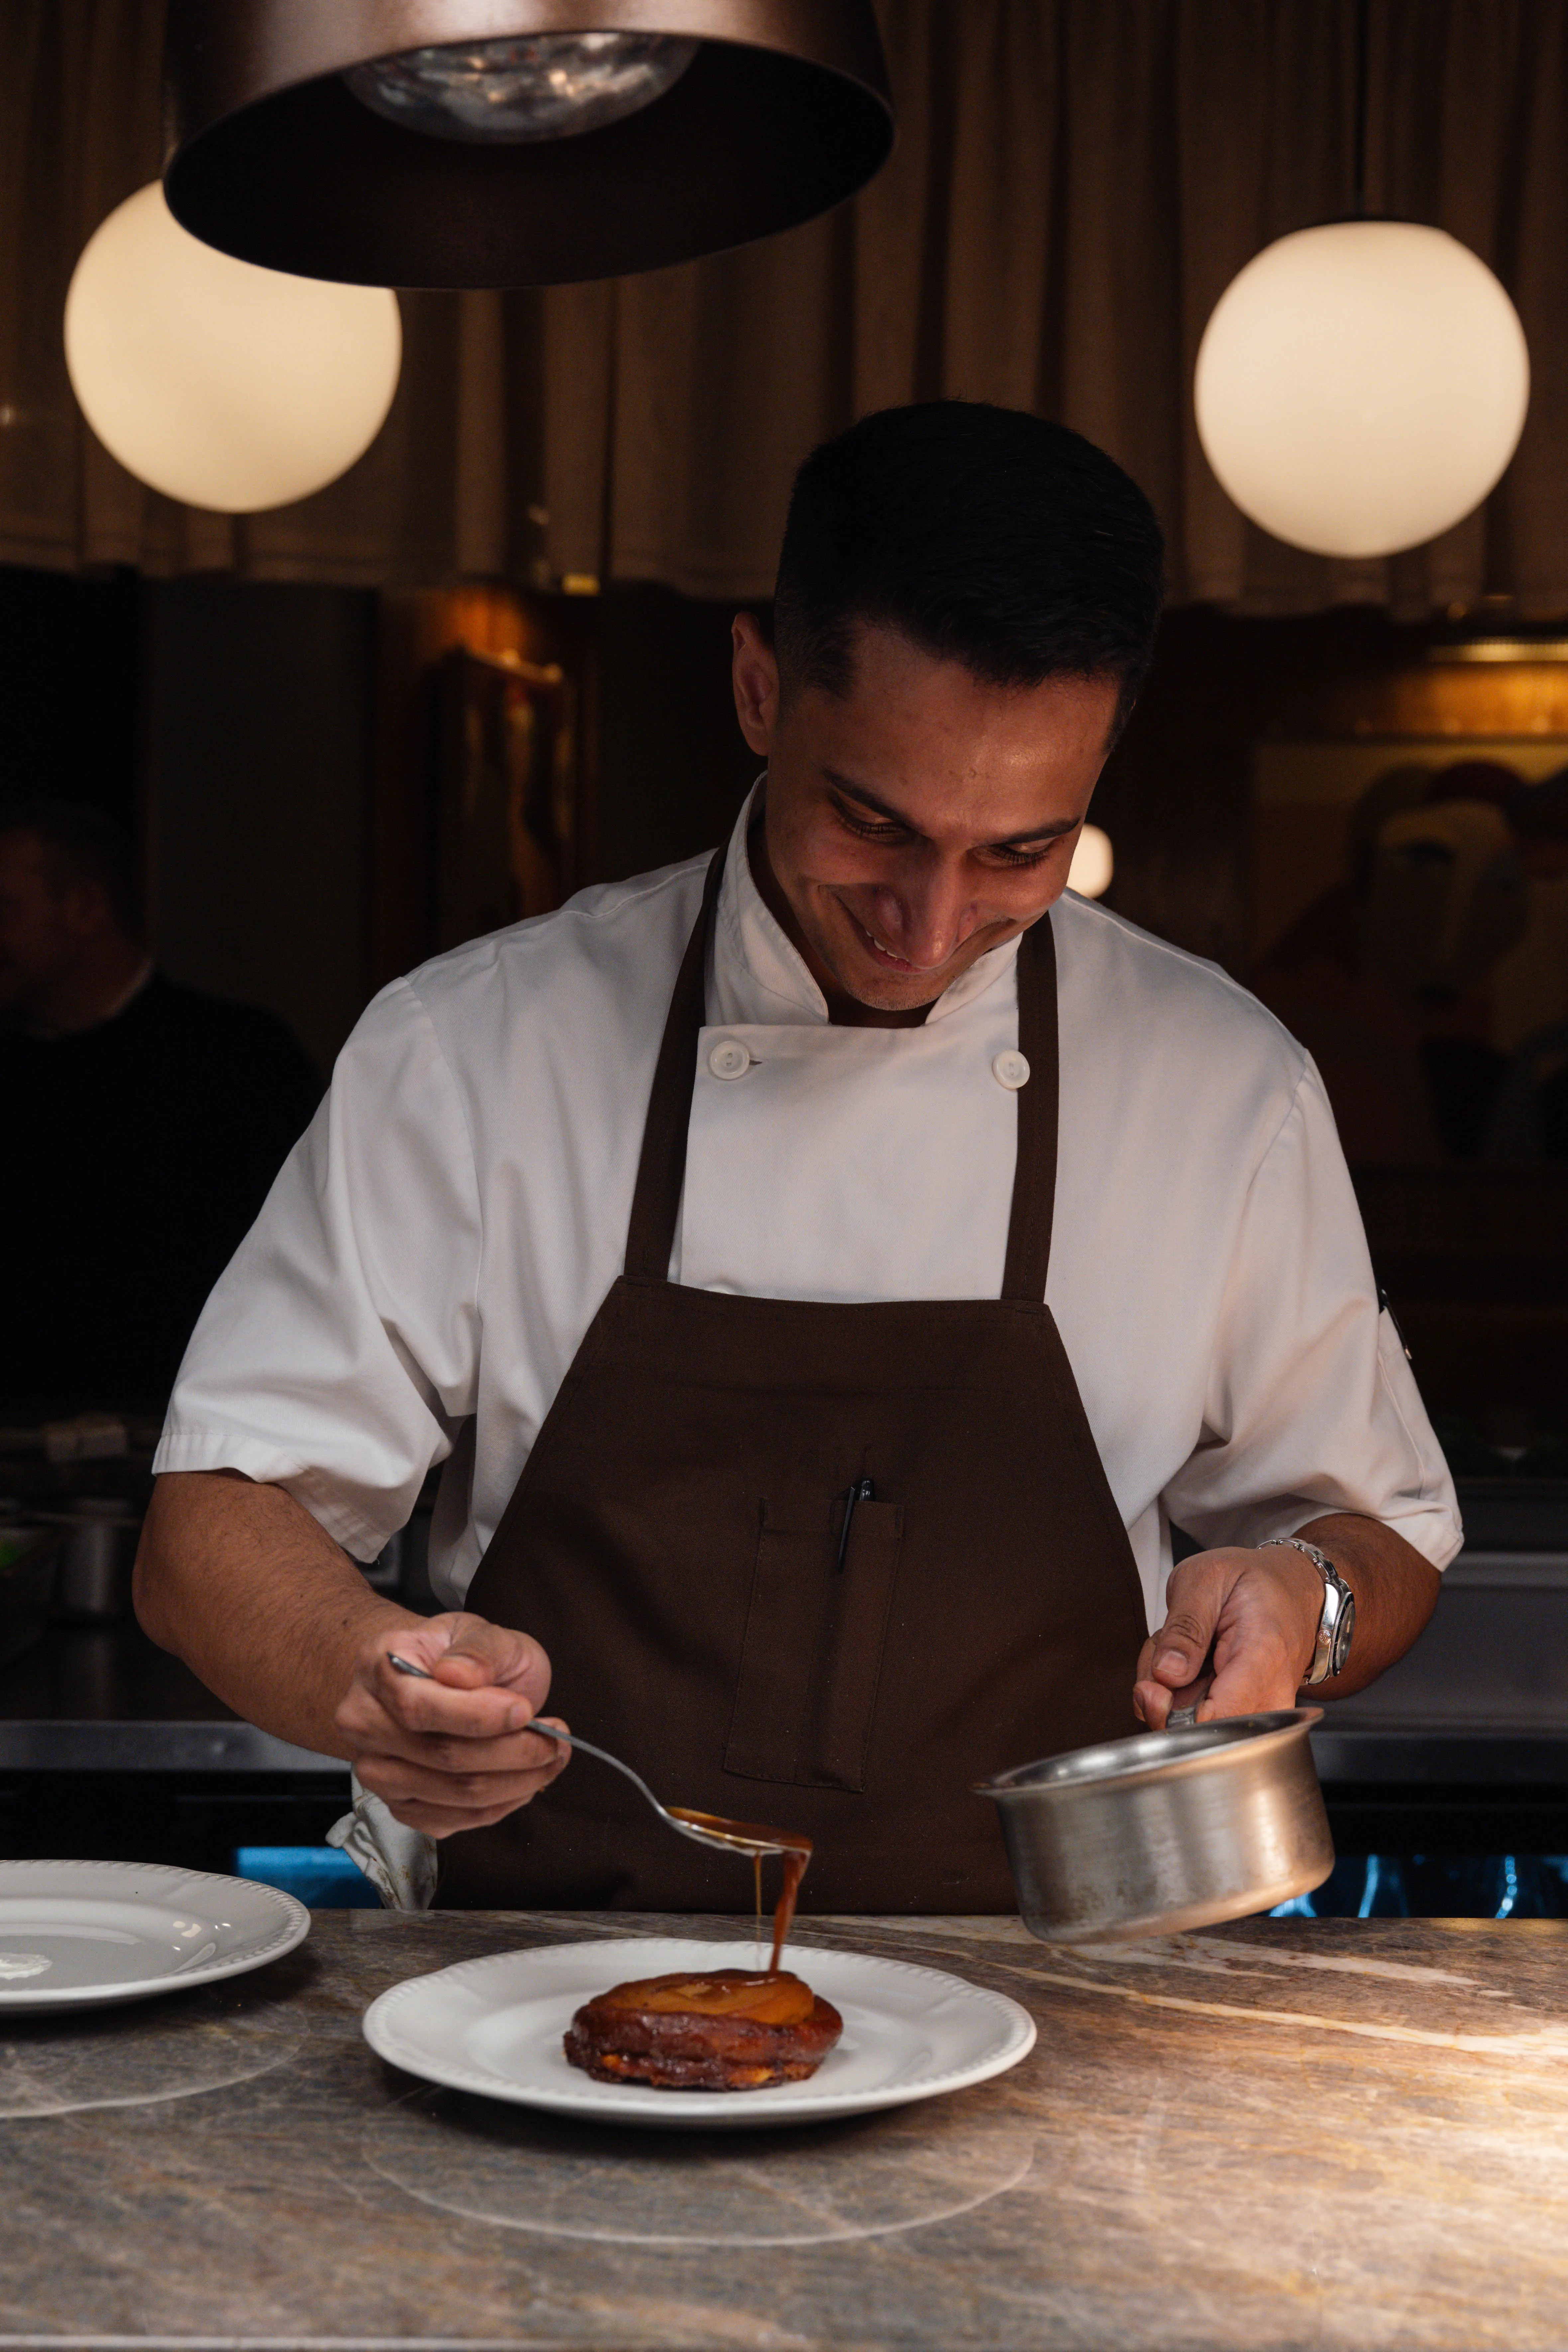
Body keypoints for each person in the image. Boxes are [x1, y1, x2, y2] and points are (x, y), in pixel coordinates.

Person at [135, 404, 1458, 1914]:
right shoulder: (472, 1048)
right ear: (761, 687)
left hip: (1074, 2027)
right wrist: (364, 1674)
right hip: (531, 2013)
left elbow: (1382, 1530)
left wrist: (1309, 1594)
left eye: (1019, 849)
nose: (932, 917)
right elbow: (213, 1526)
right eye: (873, 821)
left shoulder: (1226, 1088)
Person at [0, 801, 320, 1416]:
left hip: (188, 1441)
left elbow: (285, 1280)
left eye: (4, 908)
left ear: (86, 908)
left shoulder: (236, 1059)